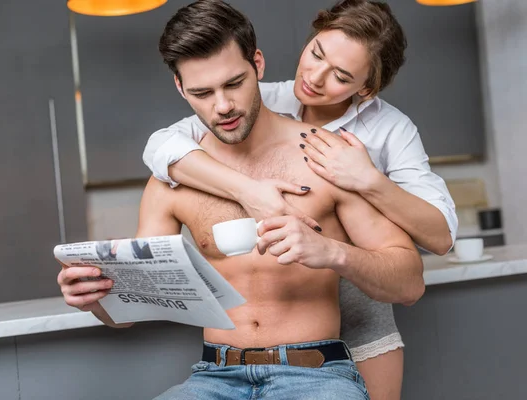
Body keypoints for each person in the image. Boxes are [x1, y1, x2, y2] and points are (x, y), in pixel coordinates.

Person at [57, 1, 425, 398]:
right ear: (180, 88)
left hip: (314, 376)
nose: (223, 106)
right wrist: (96, 299)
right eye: (201, 92)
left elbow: (410, 283)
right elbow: (131, 312)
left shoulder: (326, 157)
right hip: (214, 376)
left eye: (234, 83)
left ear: (258, 65)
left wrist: (331, 251)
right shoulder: (169, 182)